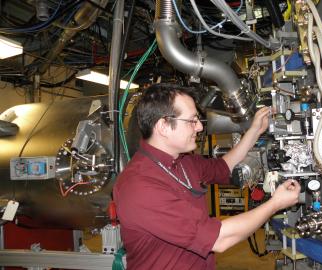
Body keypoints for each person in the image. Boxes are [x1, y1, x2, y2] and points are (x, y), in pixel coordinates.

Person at [113, 83, 300, 270]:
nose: (200, 127)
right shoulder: (139, 186)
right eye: (192, 120)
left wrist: (254, 131)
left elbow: (224, 166)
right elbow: (219, 238)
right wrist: (275, 204)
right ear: (164, 126)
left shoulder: (183, 161)